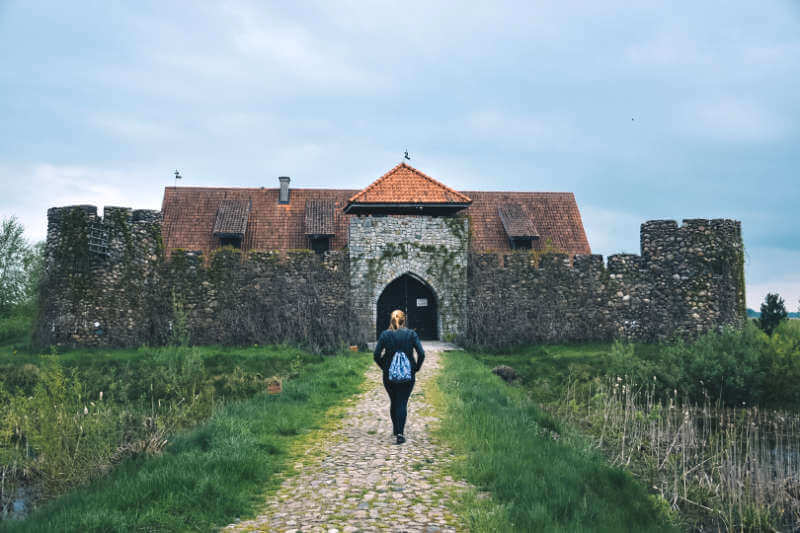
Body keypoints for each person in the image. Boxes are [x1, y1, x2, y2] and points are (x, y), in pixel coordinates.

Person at [373, 309, 425, 445]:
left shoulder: (385, 335)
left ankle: (396, 429)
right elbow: (421, 353)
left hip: (389, 375)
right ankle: (401, 433)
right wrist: (416, 368)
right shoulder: (411, 334)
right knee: (402, 402)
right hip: (408, 375)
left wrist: (384, 367)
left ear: (391, 320)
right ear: (404, 320)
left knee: (394, 400)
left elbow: (376, 355)